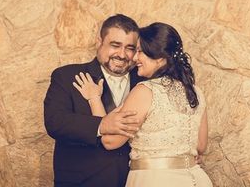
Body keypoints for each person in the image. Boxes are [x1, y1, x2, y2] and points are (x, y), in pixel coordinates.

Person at [74, 22, 212, 187]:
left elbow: (110, 141)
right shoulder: (196, 92)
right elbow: (201, 146)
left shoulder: (145, 91)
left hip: (156, 181)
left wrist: (94, 98)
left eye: (140, 51)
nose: (134, 57)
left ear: (159, 58)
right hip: (197, 179)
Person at [43, 14, 144, 187]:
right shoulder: (67, 76)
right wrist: (101, 125)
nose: (122, 54)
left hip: (133, 181)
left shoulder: (146, 83)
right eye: (115, 45)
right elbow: (55, 122)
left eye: (129, 48)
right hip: (82, 181)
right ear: (99, 42)